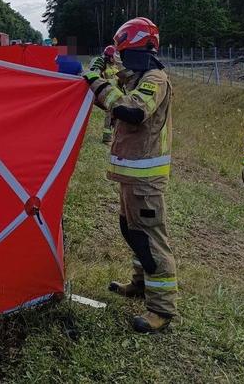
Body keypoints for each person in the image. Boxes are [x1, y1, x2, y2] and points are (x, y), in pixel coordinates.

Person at [83, 17, 176, 333]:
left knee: (150, 241)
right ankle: (139, 284)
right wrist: (98, 80)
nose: (123, 59)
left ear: (143, 50)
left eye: (126, 53)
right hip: (132, 178)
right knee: (132, 231)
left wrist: (97, 81)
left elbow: (132, 111)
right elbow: (115, 104)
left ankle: (161, 310)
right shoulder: (138, 79)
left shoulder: (155, 79)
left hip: (146, 182)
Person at [98, 45, 122, 144]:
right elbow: (100, 80)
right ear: (109, 57)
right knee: (109, 115)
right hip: (108, 94)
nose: (115, 58)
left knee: (117, 115)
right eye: (113, 56)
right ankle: (107, 138)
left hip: (117, 93)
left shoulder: (115, 66)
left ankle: (116, 136)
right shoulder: (103, 67)